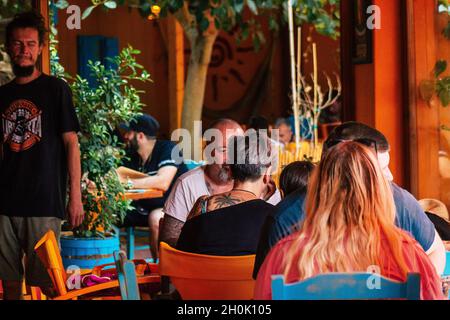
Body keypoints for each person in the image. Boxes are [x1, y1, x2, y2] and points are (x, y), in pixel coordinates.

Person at [253, 121, 446, 278]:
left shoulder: (400, 201)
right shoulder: (286, 218)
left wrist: (417, 287)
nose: (390, 176)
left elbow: (435, 250)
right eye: (378, 170)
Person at [0, 11, 83, 299]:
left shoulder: (55, 89)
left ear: (40, 48)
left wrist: (76, 197)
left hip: (43, 200)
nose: (24, 50)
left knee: (47, 284)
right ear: (9, 47)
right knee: (8, 284)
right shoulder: (1, 96)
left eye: (31, 44)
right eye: (18, 44)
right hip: (4, 202)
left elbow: (72, 144)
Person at [159, 118, 281, 248]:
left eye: (237, 151)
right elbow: (167, 243)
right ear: (207, 151)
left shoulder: (266, 188)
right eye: (223, 150)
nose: (230, 158)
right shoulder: (187, 184)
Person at [176, 133, 276, 255]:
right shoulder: (275, 217)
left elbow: (180, 254)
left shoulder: (204, 207)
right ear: (267, 175)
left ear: (230, 172)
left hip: (202, 273)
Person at [119, 113, 188, 260]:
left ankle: (162, 269)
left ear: (140, 136)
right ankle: (113, 264)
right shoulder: (131, 156)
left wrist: (127, 183)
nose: (125, 136)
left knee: (156, 217)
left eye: (129, 132)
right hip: (142, 206)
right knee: (109, 214)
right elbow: (117, 175)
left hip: (174, 208)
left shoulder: (168, 149)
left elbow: (163, 182)